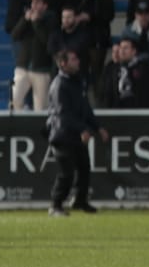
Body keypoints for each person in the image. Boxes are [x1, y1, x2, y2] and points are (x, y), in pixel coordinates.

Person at [45, 48, 107, 215]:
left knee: (84, 169)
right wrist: (83, 129)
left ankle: (80, 201)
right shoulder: (59, 85)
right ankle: (55, 205)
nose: (78, 61)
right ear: (63, 63)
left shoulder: (77, 81)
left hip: (74, 135)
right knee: (66, 173)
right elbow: (62, 114)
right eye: (73, 59)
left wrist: (97, 127)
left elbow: (85, 108)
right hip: (62, 135)